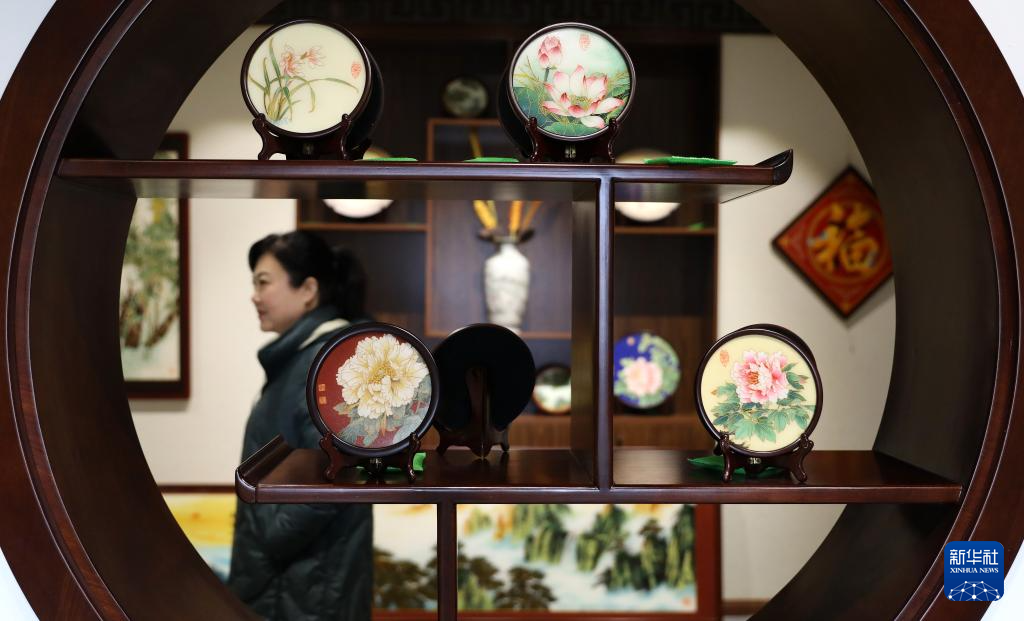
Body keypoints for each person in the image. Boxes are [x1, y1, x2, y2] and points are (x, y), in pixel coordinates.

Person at [228, 231, 372, 621]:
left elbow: (336, 475)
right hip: (293, 587)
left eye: (263, 282)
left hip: (304, 593)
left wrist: (273, 537)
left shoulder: (325, 364)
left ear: (308, 290)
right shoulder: (305, 359)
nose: (254, 296)